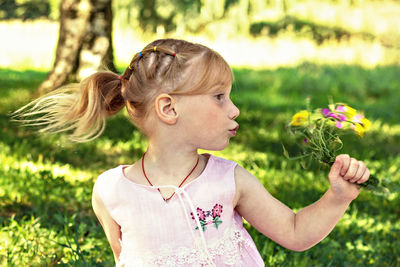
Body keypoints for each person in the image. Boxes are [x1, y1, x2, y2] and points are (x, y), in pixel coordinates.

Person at [13, 39, 370, 266]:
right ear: (169, 109)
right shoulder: (110, 191)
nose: (235, 110)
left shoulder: (230, 180)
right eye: (219, 97)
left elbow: (294, 232)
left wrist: (337, 197)